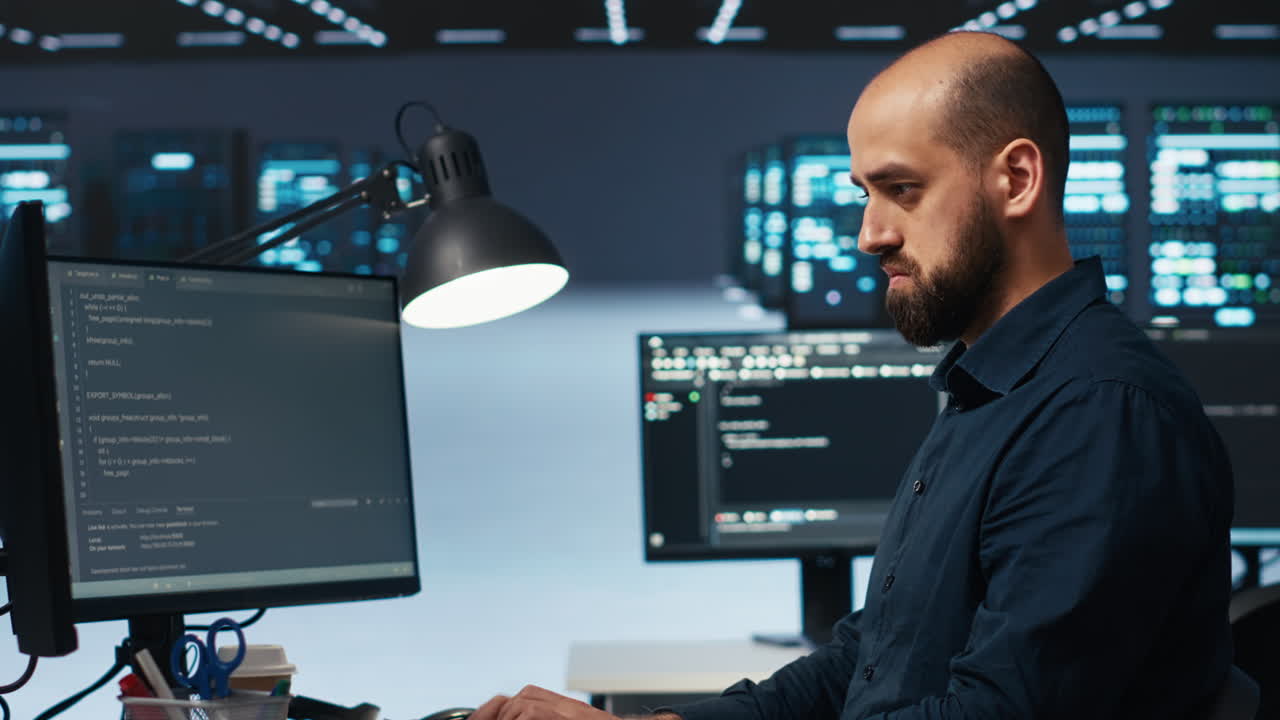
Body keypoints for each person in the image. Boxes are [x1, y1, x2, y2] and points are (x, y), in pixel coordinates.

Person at [469, 31, 1234, 720]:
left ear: (1018, 179)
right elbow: (871, 657)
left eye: (902, 190)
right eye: (863, 195)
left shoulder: (1097, 414)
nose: (870, 234)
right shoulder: (991, 386)